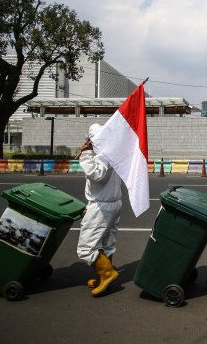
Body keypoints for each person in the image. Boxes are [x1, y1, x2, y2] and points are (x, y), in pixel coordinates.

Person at [77, 123, 123, 297]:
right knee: (106, 244)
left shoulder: (102, 154)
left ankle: (107, 274)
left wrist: (86, 154)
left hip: (102, 205)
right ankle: (103, 276)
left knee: (86, 248)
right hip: (113, 202)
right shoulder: (112, 152)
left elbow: (97, 175)